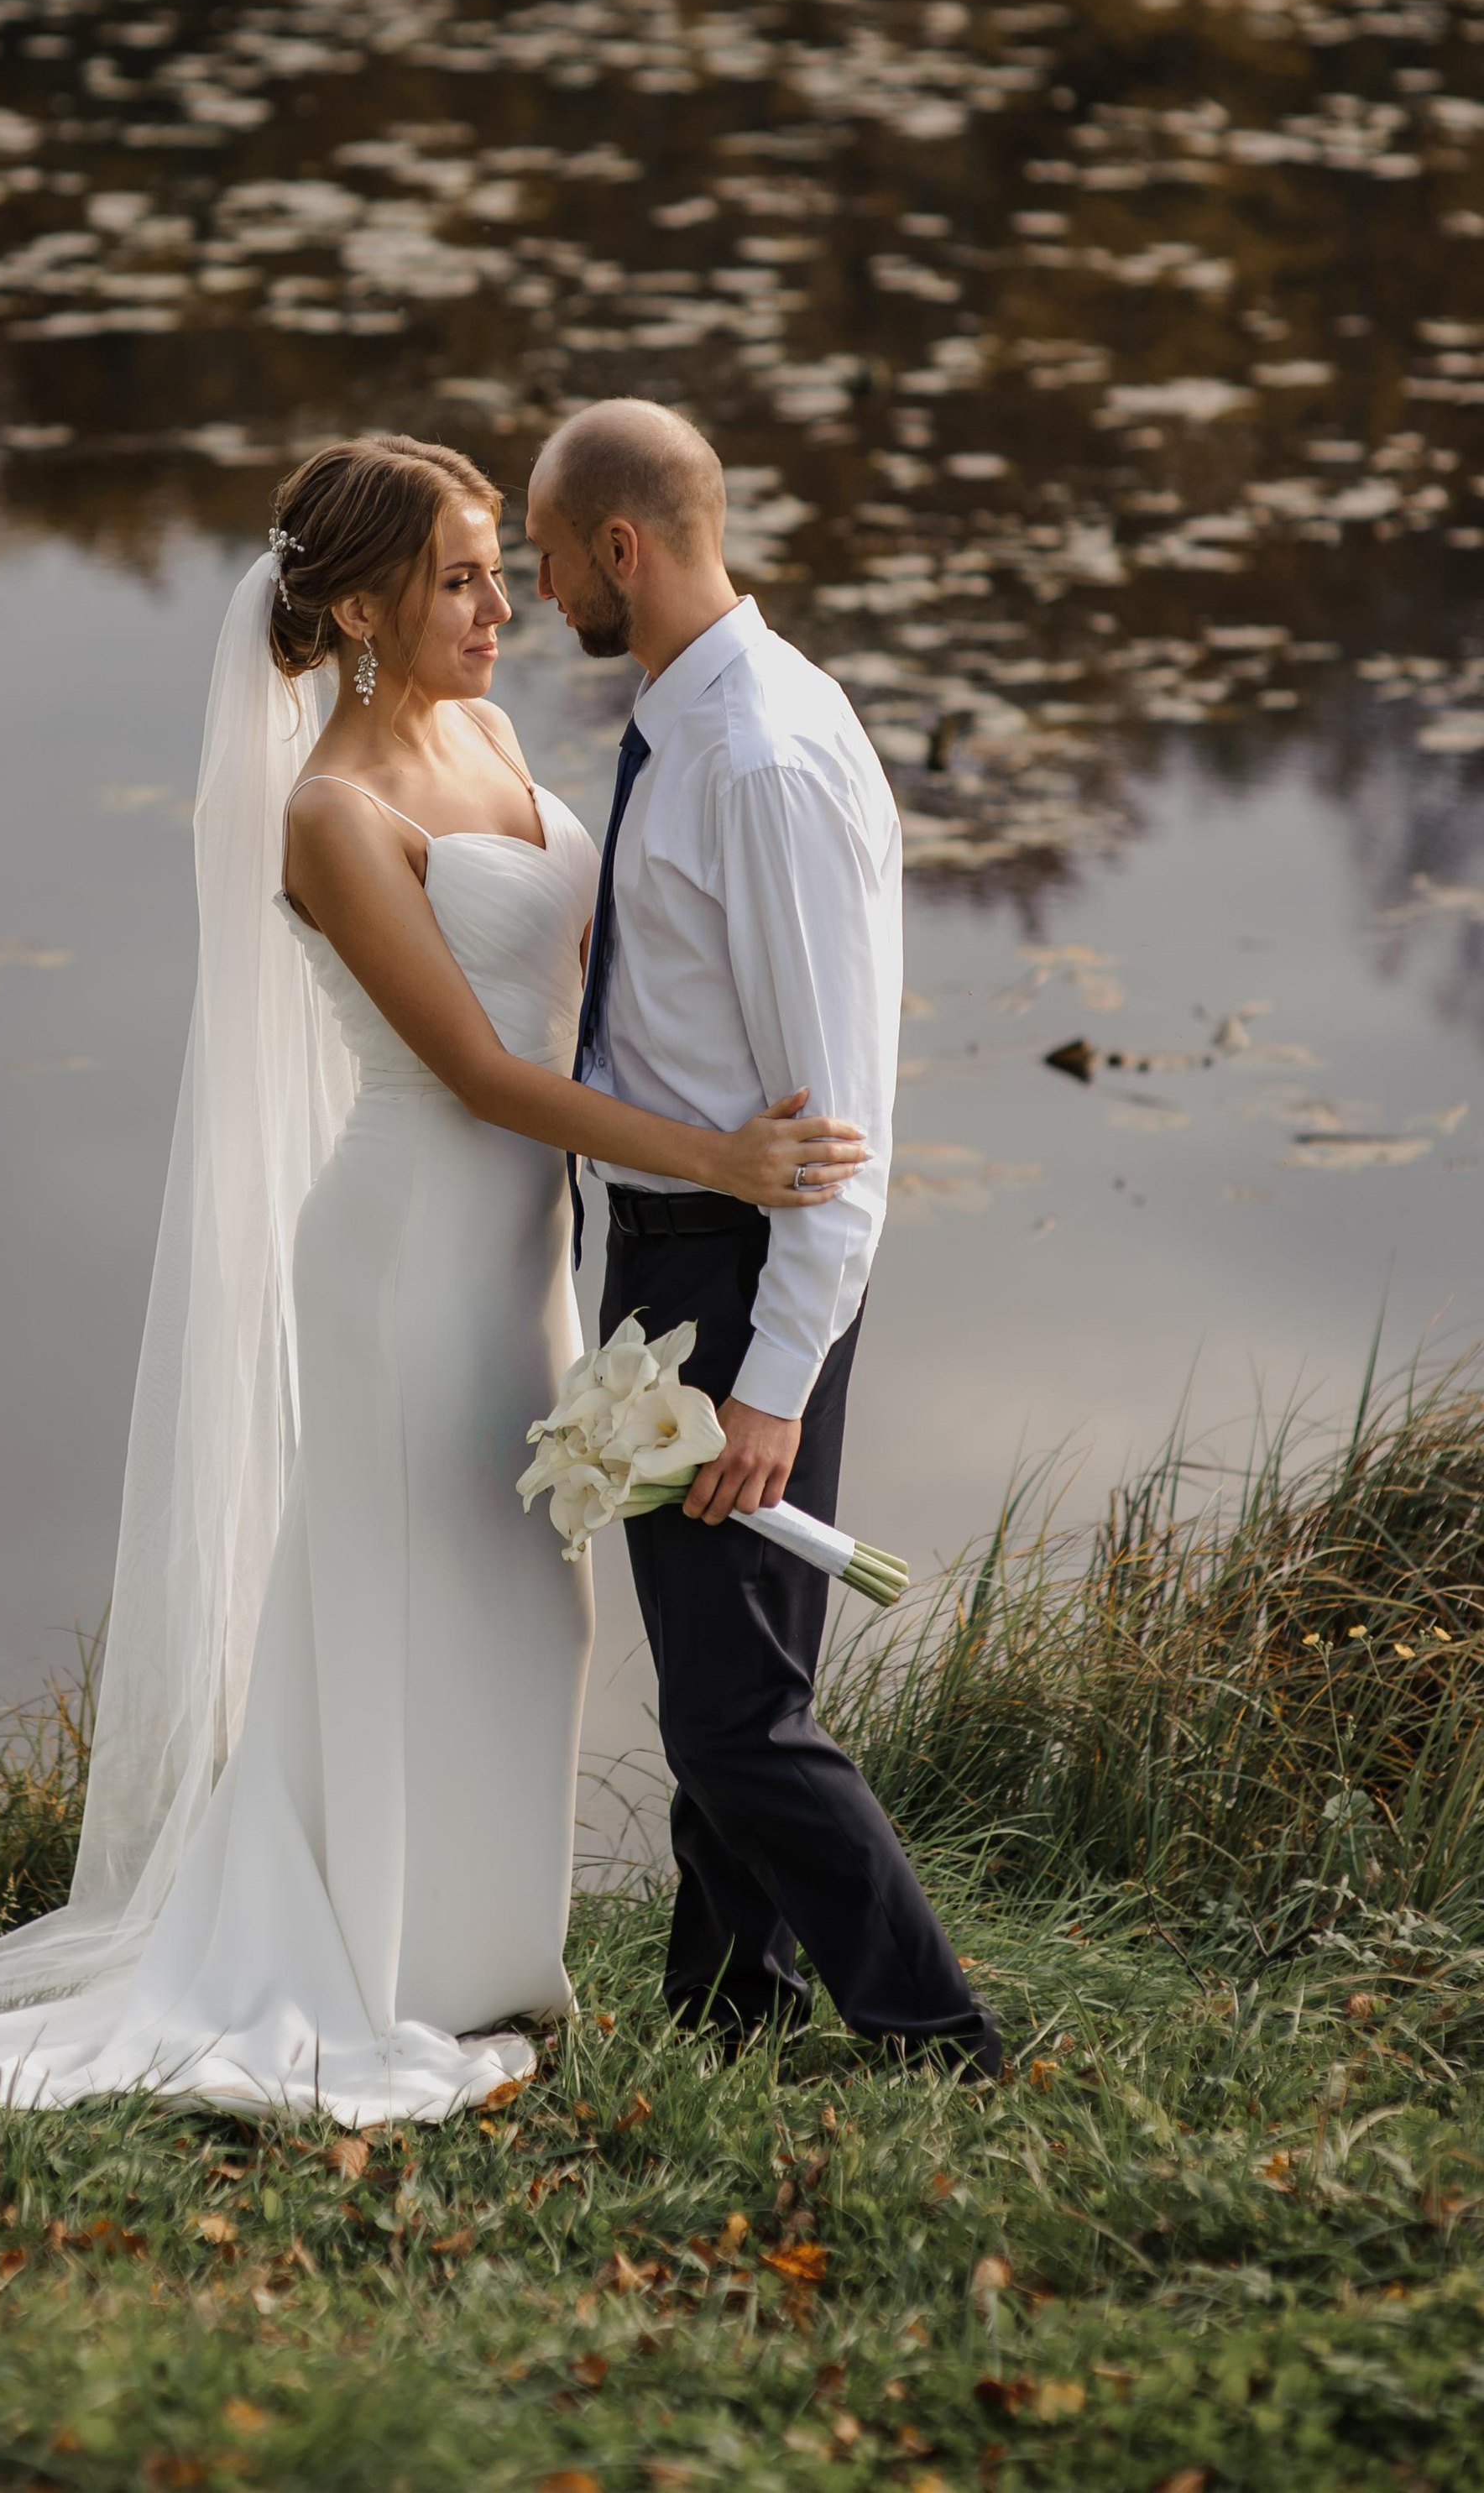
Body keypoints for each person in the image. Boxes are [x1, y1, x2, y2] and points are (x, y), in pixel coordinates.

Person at [0, 433, 865, 2123]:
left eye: (495, 565)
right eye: (458, 575)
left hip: (527, 1260)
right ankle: (380, 1972)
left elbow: (589, 981)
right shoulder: (329, 813)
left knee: (534, 1602)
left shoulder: (493, 733)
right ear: (366, 606)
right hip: (403, 1255)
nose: (497, 604)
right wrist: (718, 1160)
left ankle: (489, 1964)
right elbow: (475, 1070)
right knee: (406, 1596)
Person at [525, 397, 1001, 2078]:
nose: (534, 588)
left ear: (620, 547)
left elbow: (836, 1130)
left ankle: (934, 2028)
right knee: (747, 1685)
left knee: (726, 1711)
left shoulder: (761, 752)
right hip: (679, 1252)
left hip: (734, 1279)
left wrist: (770, 1383)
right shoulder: (693, 717)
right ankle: (725, 2016)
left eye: (542, 553)